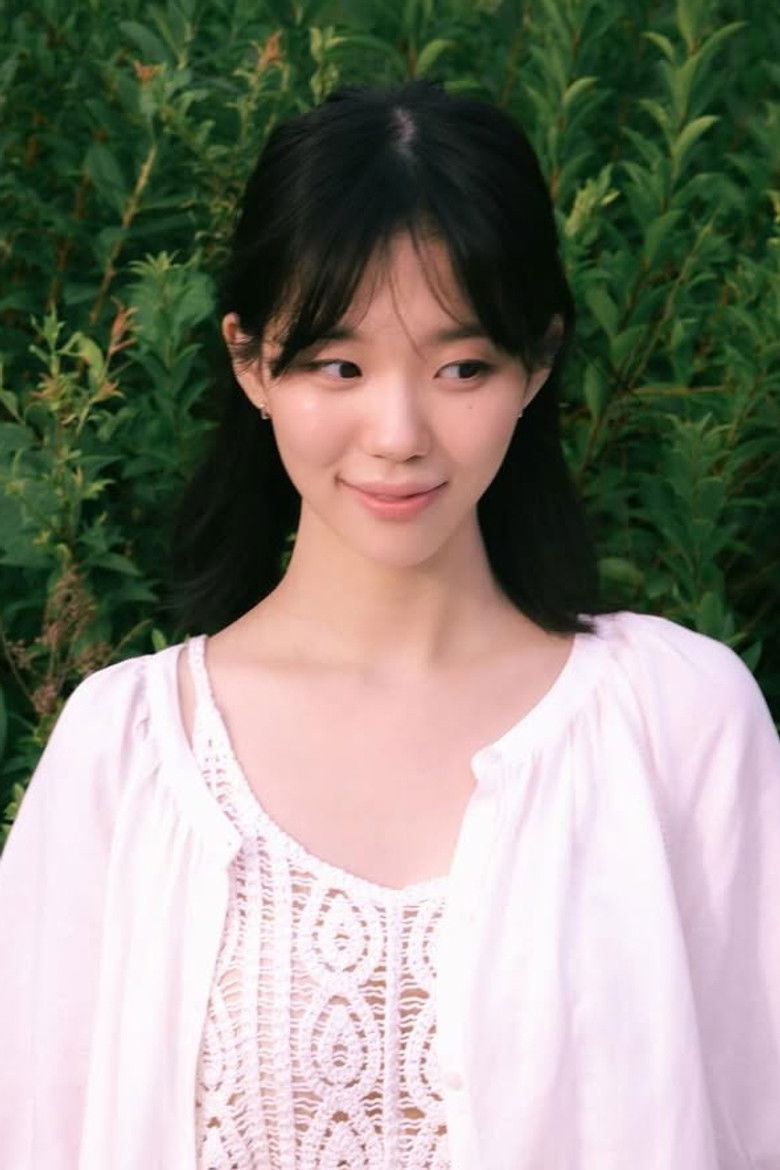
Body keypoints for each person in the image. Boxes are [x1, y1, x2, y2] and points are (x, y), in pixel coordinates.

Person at [0, 80, 778, 1170]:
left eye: (462, 367)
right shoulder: (126, 753)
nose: (399, 432)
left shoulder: (678, 722)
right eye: (340, 365)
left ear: (537, 363)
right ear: (249, 361)